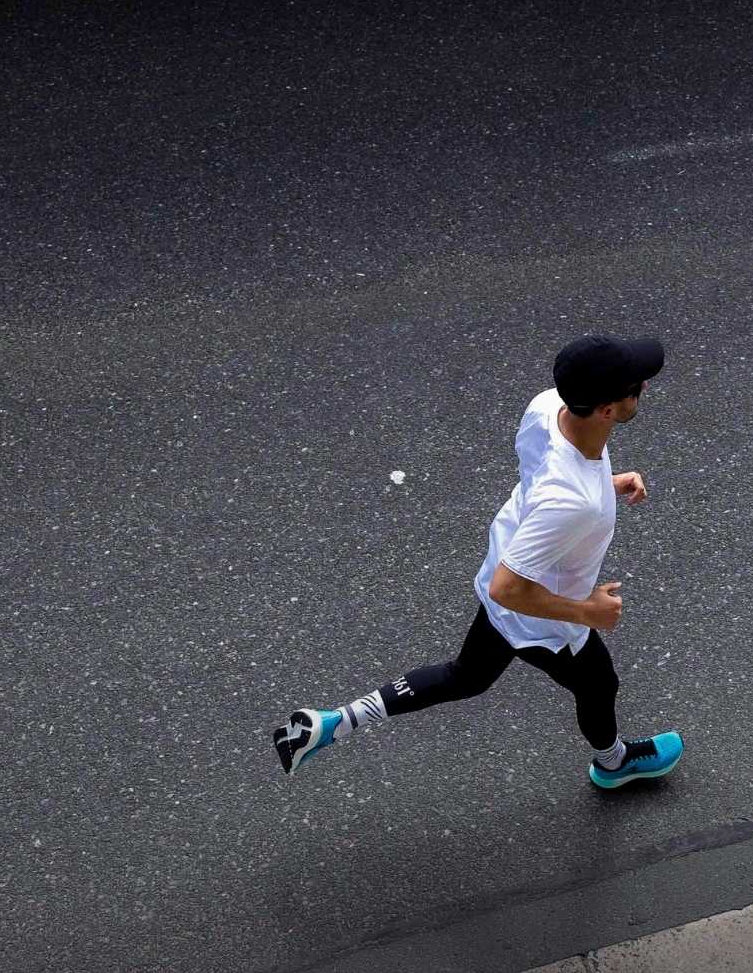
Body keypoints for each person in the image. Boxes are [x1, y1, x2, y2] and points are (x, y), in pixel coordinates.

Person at [272, 334, 684, 789]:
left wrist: (604, 482)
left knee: (466, 676)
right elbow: (510, 587)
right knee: (599, 685)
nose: (644, 387)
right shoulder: (574, 502)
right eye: (636, 386)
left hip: (509, 559)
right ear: (606, 409)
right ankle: (613, 763)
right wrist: (588, 611)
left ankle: (332, 723)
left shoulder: (548, 407)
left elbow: (553, 483)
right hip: (541, 614)